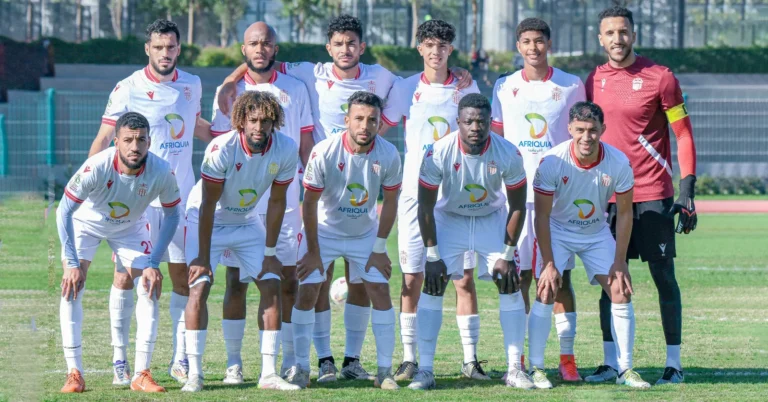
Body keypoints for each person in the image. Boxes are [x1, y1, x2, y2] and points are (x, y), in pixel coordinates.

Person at [217, 14, 470, 382]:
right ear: (328, 47)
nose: (346, 49)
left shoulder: (382, 78)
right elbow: (261, 60)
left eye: (352, 43)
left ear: (362, 47)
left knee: (364, 282)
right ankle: (322, 361)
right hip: (322, 192)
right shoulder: (311, 73)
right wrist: (230, 79)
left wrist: (456, 69)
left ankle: (353, 360)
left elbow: (427, 77)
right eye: (338, 43)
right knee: (315, 280)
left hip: (361, 194)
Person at [88, 19, 212, 385]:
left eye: (171, 47)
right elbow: (105, 138)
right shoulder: (128, 87)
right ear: (148, 49)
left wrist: (233, 131)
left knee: (182, 277)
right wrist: (93, 189)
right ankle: (120, 360)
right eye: (158, 47)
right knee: (126, 277)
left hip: (181, 200)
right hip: (137, 202)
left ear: (179, 49)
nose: (165, 53)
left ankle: (179, 358)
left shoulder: (192, 84)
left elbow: (195, 125)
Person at [586, 6, 697, 385]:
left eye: (623, 32)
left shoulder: (661, 77)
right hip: (607, 198)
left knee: (663, 277)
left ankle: (674, 365)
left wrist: (687, 190)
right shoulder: (592, 80)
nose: (617, 39)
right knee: (609, 278)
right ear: (600, 39)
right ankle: (609, 362)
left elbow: (683, 134)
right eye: (610, 33)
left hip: (652, 195)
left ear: (633, 35)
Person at [379, 19, 488, 381]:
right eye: (429, 45)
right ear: (420, 49)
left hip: (456, 197)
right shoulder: (404, 88)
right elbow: (380, 128)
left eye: (442, 45)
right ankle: (410, 358)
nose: (436, 51)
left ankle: (470, 361)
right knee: (412, 277)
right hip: (415, 195)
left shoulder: (466, 85)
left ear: (450, 50)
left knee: (463, 279)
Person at [208, 21, 315, 385]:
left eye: (266, 43)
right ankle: (234, 365)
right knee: (236, 282)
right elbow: (220, 142)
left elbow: (304, 143)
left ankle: (288, 362)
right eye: (253, 43)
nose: (260, 49)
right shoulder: (229, 91)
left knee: (286, 280)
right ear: (244, 49)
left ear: (275, 48)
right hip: (239, 202)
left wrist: (312, 186)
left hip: (285, 198)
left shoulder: (295, 88)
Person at [181, 91, 300, 392]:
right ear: (241, 121)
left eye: (266, 121)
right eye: (253, 120)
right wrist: (202, 258)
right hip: (208, 218)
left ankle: (268, 374)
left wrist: (270, 253)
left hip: (246, 219)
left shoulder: (286, 148)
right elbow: (208, 204)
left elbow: (276, 202)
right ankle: (195, 374)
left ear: (274, 122)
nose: (259, 127)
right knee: (199, 286)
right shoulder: (221, 148)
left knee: (271, 283)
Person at [413, 93, 532, 390]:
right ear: (458, 122)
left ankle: (515, 369)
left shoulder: (509, 152)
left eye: (481, 121)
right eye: (469, 122)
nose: (475, 127)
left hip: (491, 219)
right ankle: (425, 370)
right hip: (450, 219)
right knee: (433, 284)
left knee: (509, 282)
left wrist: (507, 253)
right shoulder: (438, 152)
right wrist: (432, 255)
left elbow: (518, 205)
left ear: (490, 122)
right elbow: (425, 206)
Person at [490, 17, 586, 382]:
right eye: (527, 41)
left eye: (539, 41)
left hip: (558, 198)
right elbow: (496, 140)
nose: (534, 47)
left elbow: (580, 137)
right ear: (518, 46)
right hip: (516, 197)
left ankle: (567, 358)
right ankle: (521, 359)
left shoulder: (571, 85)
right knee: (520, 279)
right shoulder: (504, 86)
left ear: (549, 43)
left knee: (559, 279)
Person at [57, 112, 181, 393]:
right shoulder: (97, 166)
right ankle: (74, 373)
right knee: (72, 285)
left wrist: (153, 262)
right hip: (87, 224)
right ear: (116, 142)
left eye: (141, 140)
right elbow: (64, 210)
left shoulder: (161, 171)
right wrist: (72, 263)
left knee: (149, 285)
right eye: (128, 140)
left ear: (149, 142)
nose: (135, 146)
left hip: (130, 228)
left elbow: (173, 215)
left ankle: (141, 374)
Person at [531, 101, 650, 389]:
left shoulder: (618, 162)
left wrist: (620, 261)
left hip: (596, 232)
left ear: (603, 130)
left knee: (620, 289)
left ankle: (625, 369)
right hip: (558, 230)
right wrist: (549, 263)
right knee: (546, 289)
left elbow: (624, 213)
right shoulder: (551, 162)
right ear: (570, 129)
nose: (587, 137)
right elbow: (542, 216)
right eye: (581, 130)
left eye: (593, 130)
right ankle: (536, 368)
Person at [290, 91, 402, 389]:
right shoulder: (324, 151)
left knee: (379, 290)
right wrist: (313, 252)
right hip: (324, 232)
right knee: (309, 290)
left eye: (372, 120)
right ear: (346, 120)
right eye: (359, 118)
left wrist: (379, 248)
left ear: (380, 123)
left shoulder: (389, 154)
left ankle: (383, 371)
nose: (365, 125)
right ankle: (304, 367)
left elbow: (391, 202)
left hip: (364, 234)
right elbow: (309, 203)